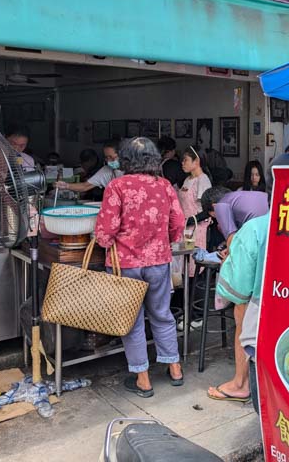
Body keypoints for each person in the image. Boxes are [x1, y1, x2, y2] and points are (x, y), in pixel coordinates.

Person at [94, 137, 186, 398]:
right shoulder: (165, 186)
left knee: (132, 322)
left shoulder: (117, 186)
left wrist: (104, 240)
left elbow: (105, 231)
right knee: (162, 315)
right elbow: (177, 222)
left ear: (125, 160)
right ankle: (175, 368)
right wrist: (164, 241)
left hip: (125, 265)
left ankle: (143, 379)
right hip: (158, 262)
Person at [200, 188, 269, 403]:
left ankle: (240, 383)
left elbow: (233, 242)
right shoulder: (259, 198)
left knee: (242, 316)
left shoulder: (222, 208)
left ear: (212, 210)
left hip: (255, 270)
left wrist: (229, 257)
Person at [56, 140, 123, 196]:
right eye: (107, 158)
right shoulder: (106, 170)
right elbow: (85, 186)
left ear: (122, 155)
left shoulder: (131, 171)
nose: (109, 161)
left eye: (112, 157)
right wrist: (66, 185)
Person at [178, 146, 213, 254]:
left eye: (186, 160)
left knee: (193, 260)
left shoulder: (203, 180)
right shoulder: (187, 180)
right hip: (185, 228)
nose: (182, 163)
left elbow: (207, 210)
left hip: (197, 229)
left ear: (196, 161)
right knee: (184, 260)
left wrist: (191, 221)